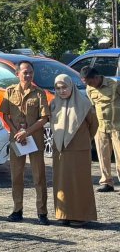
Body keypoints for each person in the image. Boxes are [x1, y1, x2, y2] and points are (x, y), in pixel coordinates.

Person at [0, 61, 51, 225]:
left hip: (34, 139)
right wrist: (17, 132)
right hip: (17, 139)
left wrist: (26, 132)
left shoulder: (39, 93)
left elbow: (44, 118)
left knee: (39, 176)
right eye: (25, 72)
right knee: (16, 176)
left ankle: (42, 212)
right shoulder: (9, 91)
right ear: (17, 74)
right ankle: (17, 210)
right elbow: (5, 115)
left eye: (30, 72)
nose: (28, 75)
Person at [50, 74, 98, 227]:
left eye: (65, 87)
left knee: (79, 182)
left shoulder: (84, 103)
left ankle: (80, 215)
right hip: (60, 150)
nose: (61, 91)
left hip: (79, 150)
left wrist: (83, 139)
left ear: (71, 86)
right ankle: (63, 214)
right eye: (58, 88)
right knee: (62, 182)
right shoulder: (54, 103)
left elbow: (94, 125)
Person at [81, 66, 120, 192]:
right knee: (103, 156)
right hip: (101, 128)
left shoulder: (115, 84)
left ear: (96, 78)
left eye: (90, 82)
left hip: (117, 127)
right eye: (86, 83)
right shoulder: (89, 89)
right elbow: (93, 106)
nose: (89, 85)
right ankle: (106, 182)